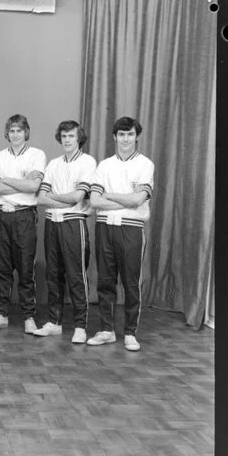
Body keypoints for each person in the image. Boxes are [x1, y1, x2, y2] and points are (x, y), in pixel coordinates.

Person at [88, 116, 154, 351]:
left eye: (130, 134)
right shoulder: (104, 165)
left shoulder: (145, 164)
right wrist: (126, 198)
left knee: (130, 282)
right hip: (105, 226)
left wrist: (110, 195)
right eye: (121, 134)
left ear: (137, 136)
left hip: (131, 228)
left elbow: (138, 200)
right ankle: (107, 330)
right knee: (105, 281)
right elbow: (95, 201)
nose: (126, 139)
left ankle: (130, 332)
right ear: (114, 137)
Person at [34, 120, 97, 344]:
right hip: (52, 222)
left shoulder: (88, 162)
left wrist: (56, 199)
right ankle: (55, 322)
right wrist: (65, 200)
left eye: (71, 136)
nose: (67, 140)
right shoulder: (53, 164)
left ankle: (80, 326)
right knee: (53, 275)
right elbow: (40, 198)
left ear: (79, 137)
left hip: (73, 224)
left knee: (76, 275)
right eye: (64, 136)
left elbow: (77, 197)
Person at [0, 114, 46, 334]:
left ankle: (28, 316)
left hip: (24, 216)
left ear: (26, 132)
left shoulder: (36, 155)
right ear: (7, 133)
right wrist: (21, 182)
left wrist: (7, 180)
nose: (15, 135)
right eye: (11, 131)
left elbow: (33, 188)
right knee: (2, 268)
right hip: (3, 214)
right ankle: (2, 314)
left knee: (25, 267)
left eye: (19, 131)